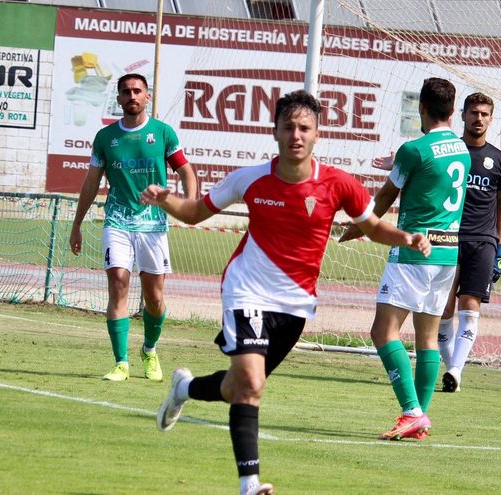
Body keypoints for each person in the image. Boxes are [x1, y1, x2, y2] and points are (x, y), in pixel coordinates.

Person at [141, 90, 431, 495]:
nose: (296, 135)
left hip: (295, 304)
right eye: (289, 127)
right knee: (253, 384)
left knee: (237, 387)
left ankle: (183, 389)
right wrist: (166, 199)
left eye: (304, 128)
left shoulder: (338, 184)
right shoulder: (250, 178)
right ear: (274, 132)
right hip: (247, 290)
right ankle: (250, 484)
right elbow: (194, 213)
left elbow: (372, 226)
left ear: (317, 134)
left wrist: (407, 237)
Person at [339, 77, 471, 440]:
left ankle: (411, 411)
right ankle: (420, 417)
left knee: (383, 331)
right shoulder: (461, 149)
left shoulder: (413, 150)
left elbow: (383, 198)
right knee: (427, 338)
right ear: (452, 109)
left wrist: (359, 227)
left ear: (422, 108)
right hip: (448, 252)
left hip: (414, 251)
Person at [69, 73, 197, 382]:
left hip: (153, 225)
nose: (132, 96)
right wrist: (77, 224)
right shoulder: (105, 137)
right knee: (118, 285)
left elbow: (186, 170)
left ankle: (149, 350)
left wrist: (191, 203)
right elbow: (91, 182)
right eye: (126, 92)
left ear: (147, 96)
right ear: (118, 99)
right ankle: (121, 362)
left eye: (137, 91)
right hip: (117, 221)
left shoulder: (162, 133)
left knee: (154, 298)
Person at [438, 92, 501, 393]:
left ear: (491, 119)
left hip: (483, 242)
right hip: (447, 238)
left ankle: (455, 370)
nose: (478, 118)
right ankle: (450, 368)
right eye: (473, 113)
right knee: (443, 311)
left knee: (469, 307)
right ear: (463, 115)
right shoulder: (449, 152)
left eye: (484, 114)